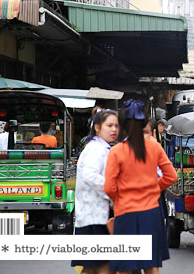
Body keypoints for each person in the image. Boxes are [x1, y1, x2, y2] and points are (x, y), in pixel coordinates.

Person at [105, 100, 177, 274]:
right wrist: (153, 188)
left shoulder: (116, 151)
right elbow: (171, 177)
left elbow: (109, 187)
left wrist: (121, 199)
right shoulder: (155, 147)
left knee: (126, 267)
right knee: (151, 265)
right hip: (151, 213)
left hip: (125, 214)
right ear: (145, 123)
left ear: (123, 125)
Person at [71, 109, 120, 274]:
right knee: (103, 265)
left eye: (116, 126)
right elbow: (90, 175)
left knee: (92, 267)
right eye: (109, 125)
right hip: (95, 217)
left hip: (93, 216)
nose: (114, 129)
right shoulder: (96, 149)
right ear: (97, 127)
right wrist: (113, 192)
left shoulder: (102, 148)